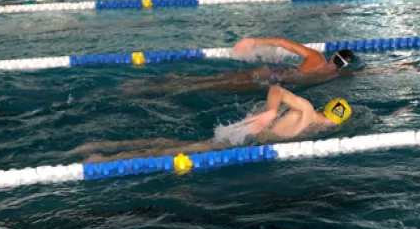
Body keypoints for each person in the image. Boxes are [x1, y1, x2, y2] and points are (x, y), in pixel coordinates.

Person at [67, 86, 355, 162]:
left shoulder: (313, 122)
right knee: (181, 150)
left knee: (176, 147)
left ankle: (105, 147)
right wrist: (270, 112)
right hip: (247, 140)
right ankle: (103, 155)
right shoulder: (305, 110)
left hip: (249, 140)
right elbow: (277, 89)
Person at [123, 38, 357, 96]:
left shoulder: (316, 57)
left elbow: (282, 42)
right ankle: (162, 88)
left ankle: (161, 82)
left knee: (211, 80)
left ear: (333, 54)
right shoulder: (334, 77)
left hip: (265, 74)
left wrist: (253, 41)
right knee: (212, 87)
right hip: (268, 83)